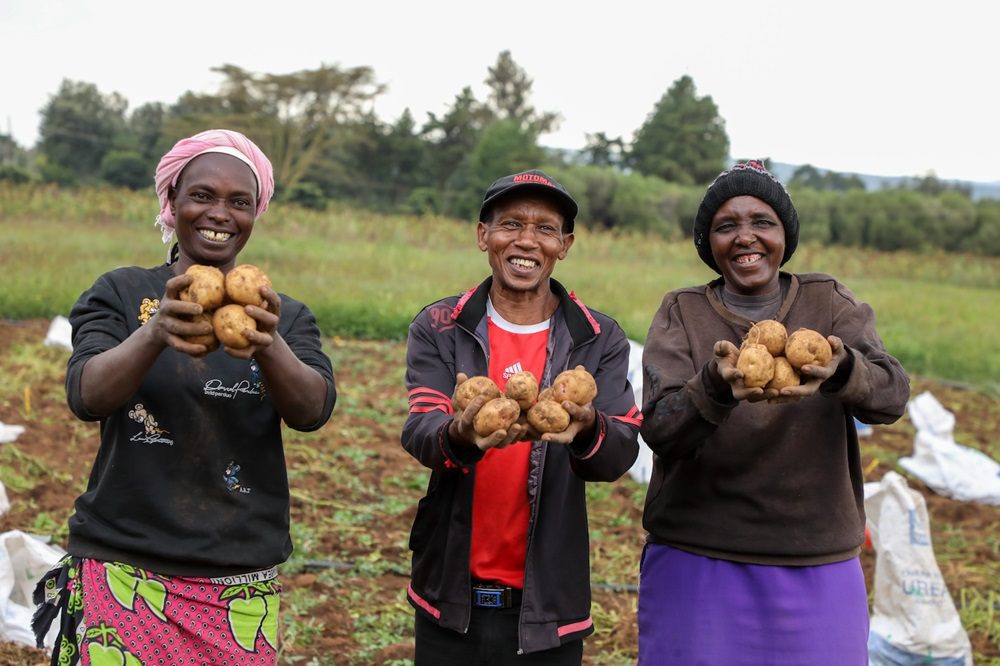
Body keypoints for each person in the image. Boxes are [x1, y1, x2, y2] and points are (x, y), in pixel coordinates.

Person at [31, 129, 337, 666]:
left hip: (238, 581)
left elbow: (312, 411)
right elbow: (86, 395)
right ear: (172, 202)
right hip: (122, 567)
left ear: (255, 213)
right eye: (201, 195)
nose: (220, 213)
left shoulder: (283, 316)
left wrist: (269, 343)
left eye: (239, 202)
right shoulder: (122, 293)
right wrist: (154, 333)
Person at [637, 160, 910, 664]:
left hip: (815, 558)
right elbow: (660, 428)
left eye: (762, 222)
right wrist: (716, 385)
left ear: (785, 234)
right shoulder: (683, 312)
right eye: (726, 226)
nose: (746, 237)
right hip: (697, 553)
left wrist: (843, 368)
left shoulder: (829, 303)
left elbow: (891, 397)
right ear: (709, 242)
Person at [401, 169, 641, 664]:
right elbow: (421, 430)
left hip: (549, 607)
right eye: (511, 224)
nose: (527, 241)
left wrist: (588, 427)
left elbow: (619, 453)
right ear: (483, 235)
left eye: (545, 228)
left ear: (564, 245)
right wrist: (461, 432)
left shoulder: (599, 338)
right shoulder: (440, 326)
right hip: (450, 596)